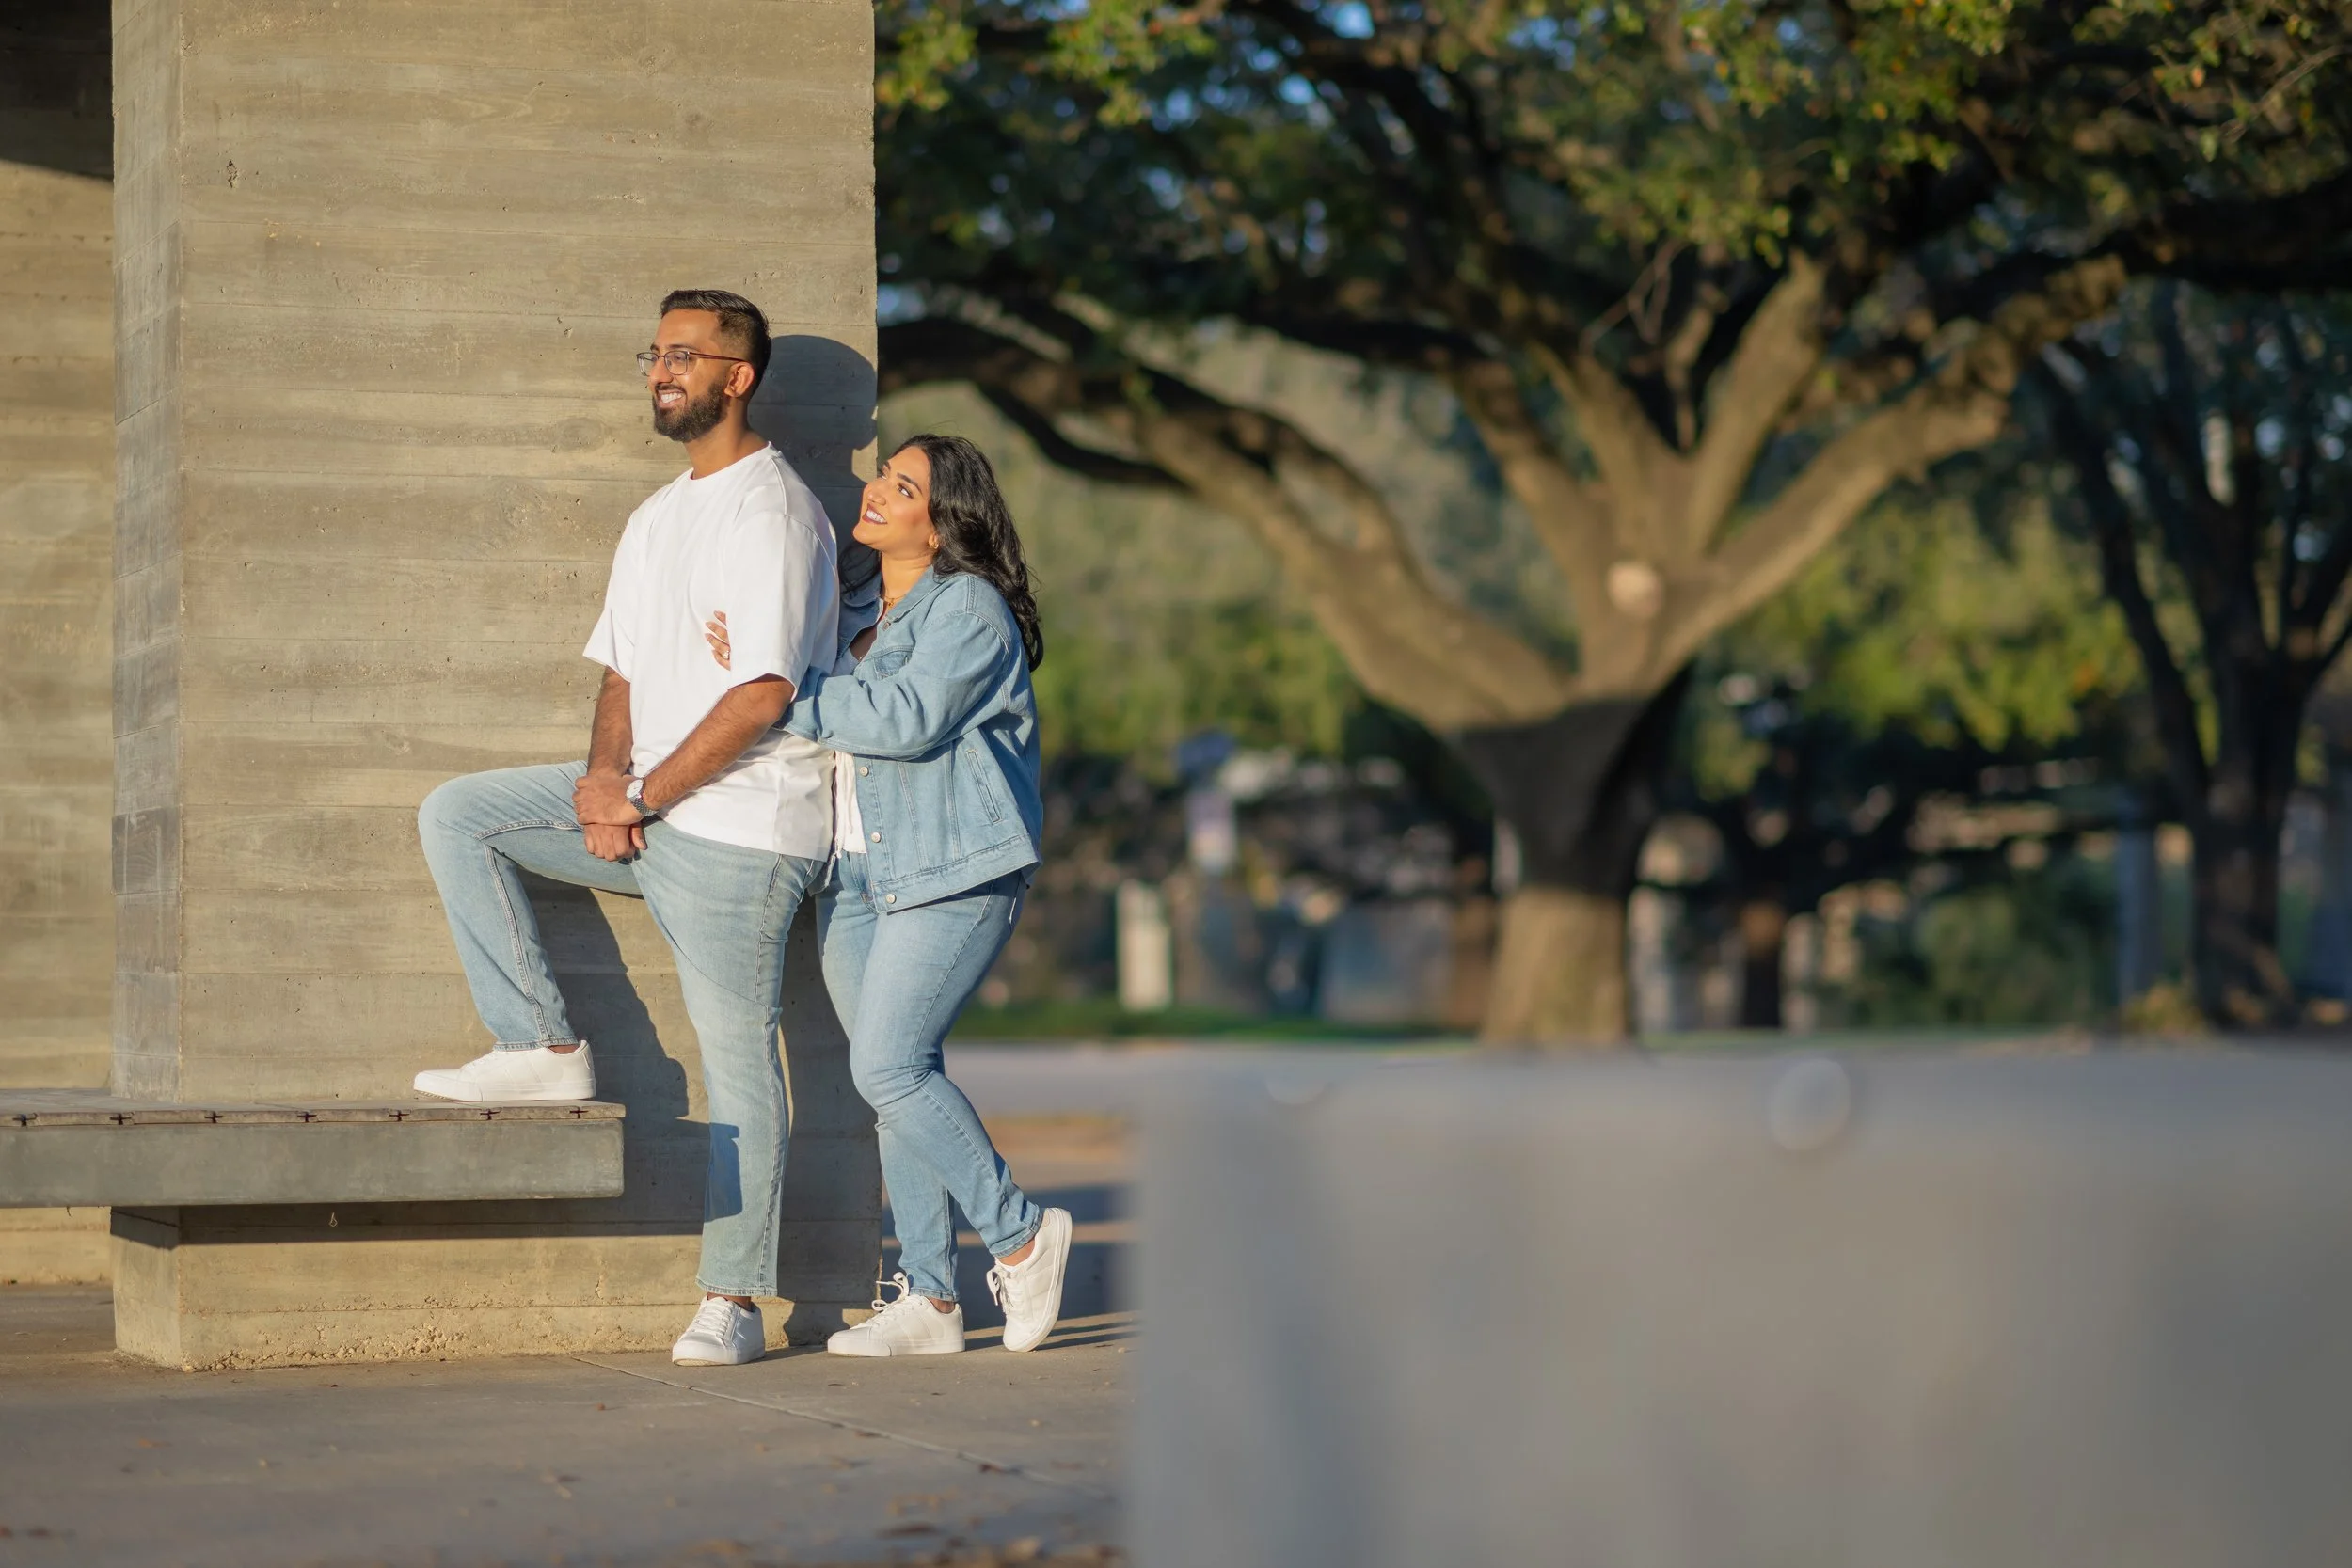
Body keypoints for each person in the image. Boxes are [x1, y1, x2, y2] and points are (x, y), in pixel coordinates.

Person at [410, 289, 839, 1369]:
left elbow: (763, 693)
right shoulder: (655, 517)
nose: (663, 368)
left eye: (686, 354)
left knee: (740, 1060)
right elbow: (626, 670)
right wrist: (605, 780)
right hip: (652, 802)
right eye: (657, 350)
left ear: (738, 377)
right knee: (462, 813)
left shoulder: (772, 510)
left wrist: (642, 799)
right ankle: (544, 1045)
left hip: (743, 825)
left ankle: (732, 1299)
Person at [702, 434, 1072, 1355]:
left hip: (953, 870)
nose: (875, 489)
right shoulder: (860, 599)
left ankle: (1022, 1233)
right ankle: (934, 1301)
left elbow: (902, 720)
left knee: (889, 1068)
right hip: (857, 874)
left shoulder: (969, 608)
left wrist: (774, 693)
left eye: (902, 486)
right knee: (900, 1084)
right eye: (884, 473)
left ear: (942, 522)